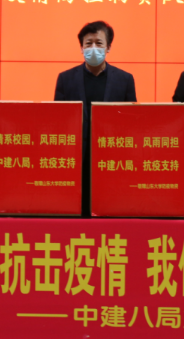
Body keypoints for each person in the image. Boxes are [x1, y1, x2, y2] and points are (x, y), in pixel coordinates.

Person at [54, 21, 137, 216]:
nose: (93, 48)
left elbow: (131, 124)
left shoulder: (125, 79)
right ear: (81, 48)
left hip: (112, 162)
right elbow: (58, 121)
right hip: (76, 162)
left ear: (108, 47)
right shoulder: (65, 79)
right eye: (88, 43)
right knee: (77, 216)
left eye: (99, 43)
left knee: (110, 215)